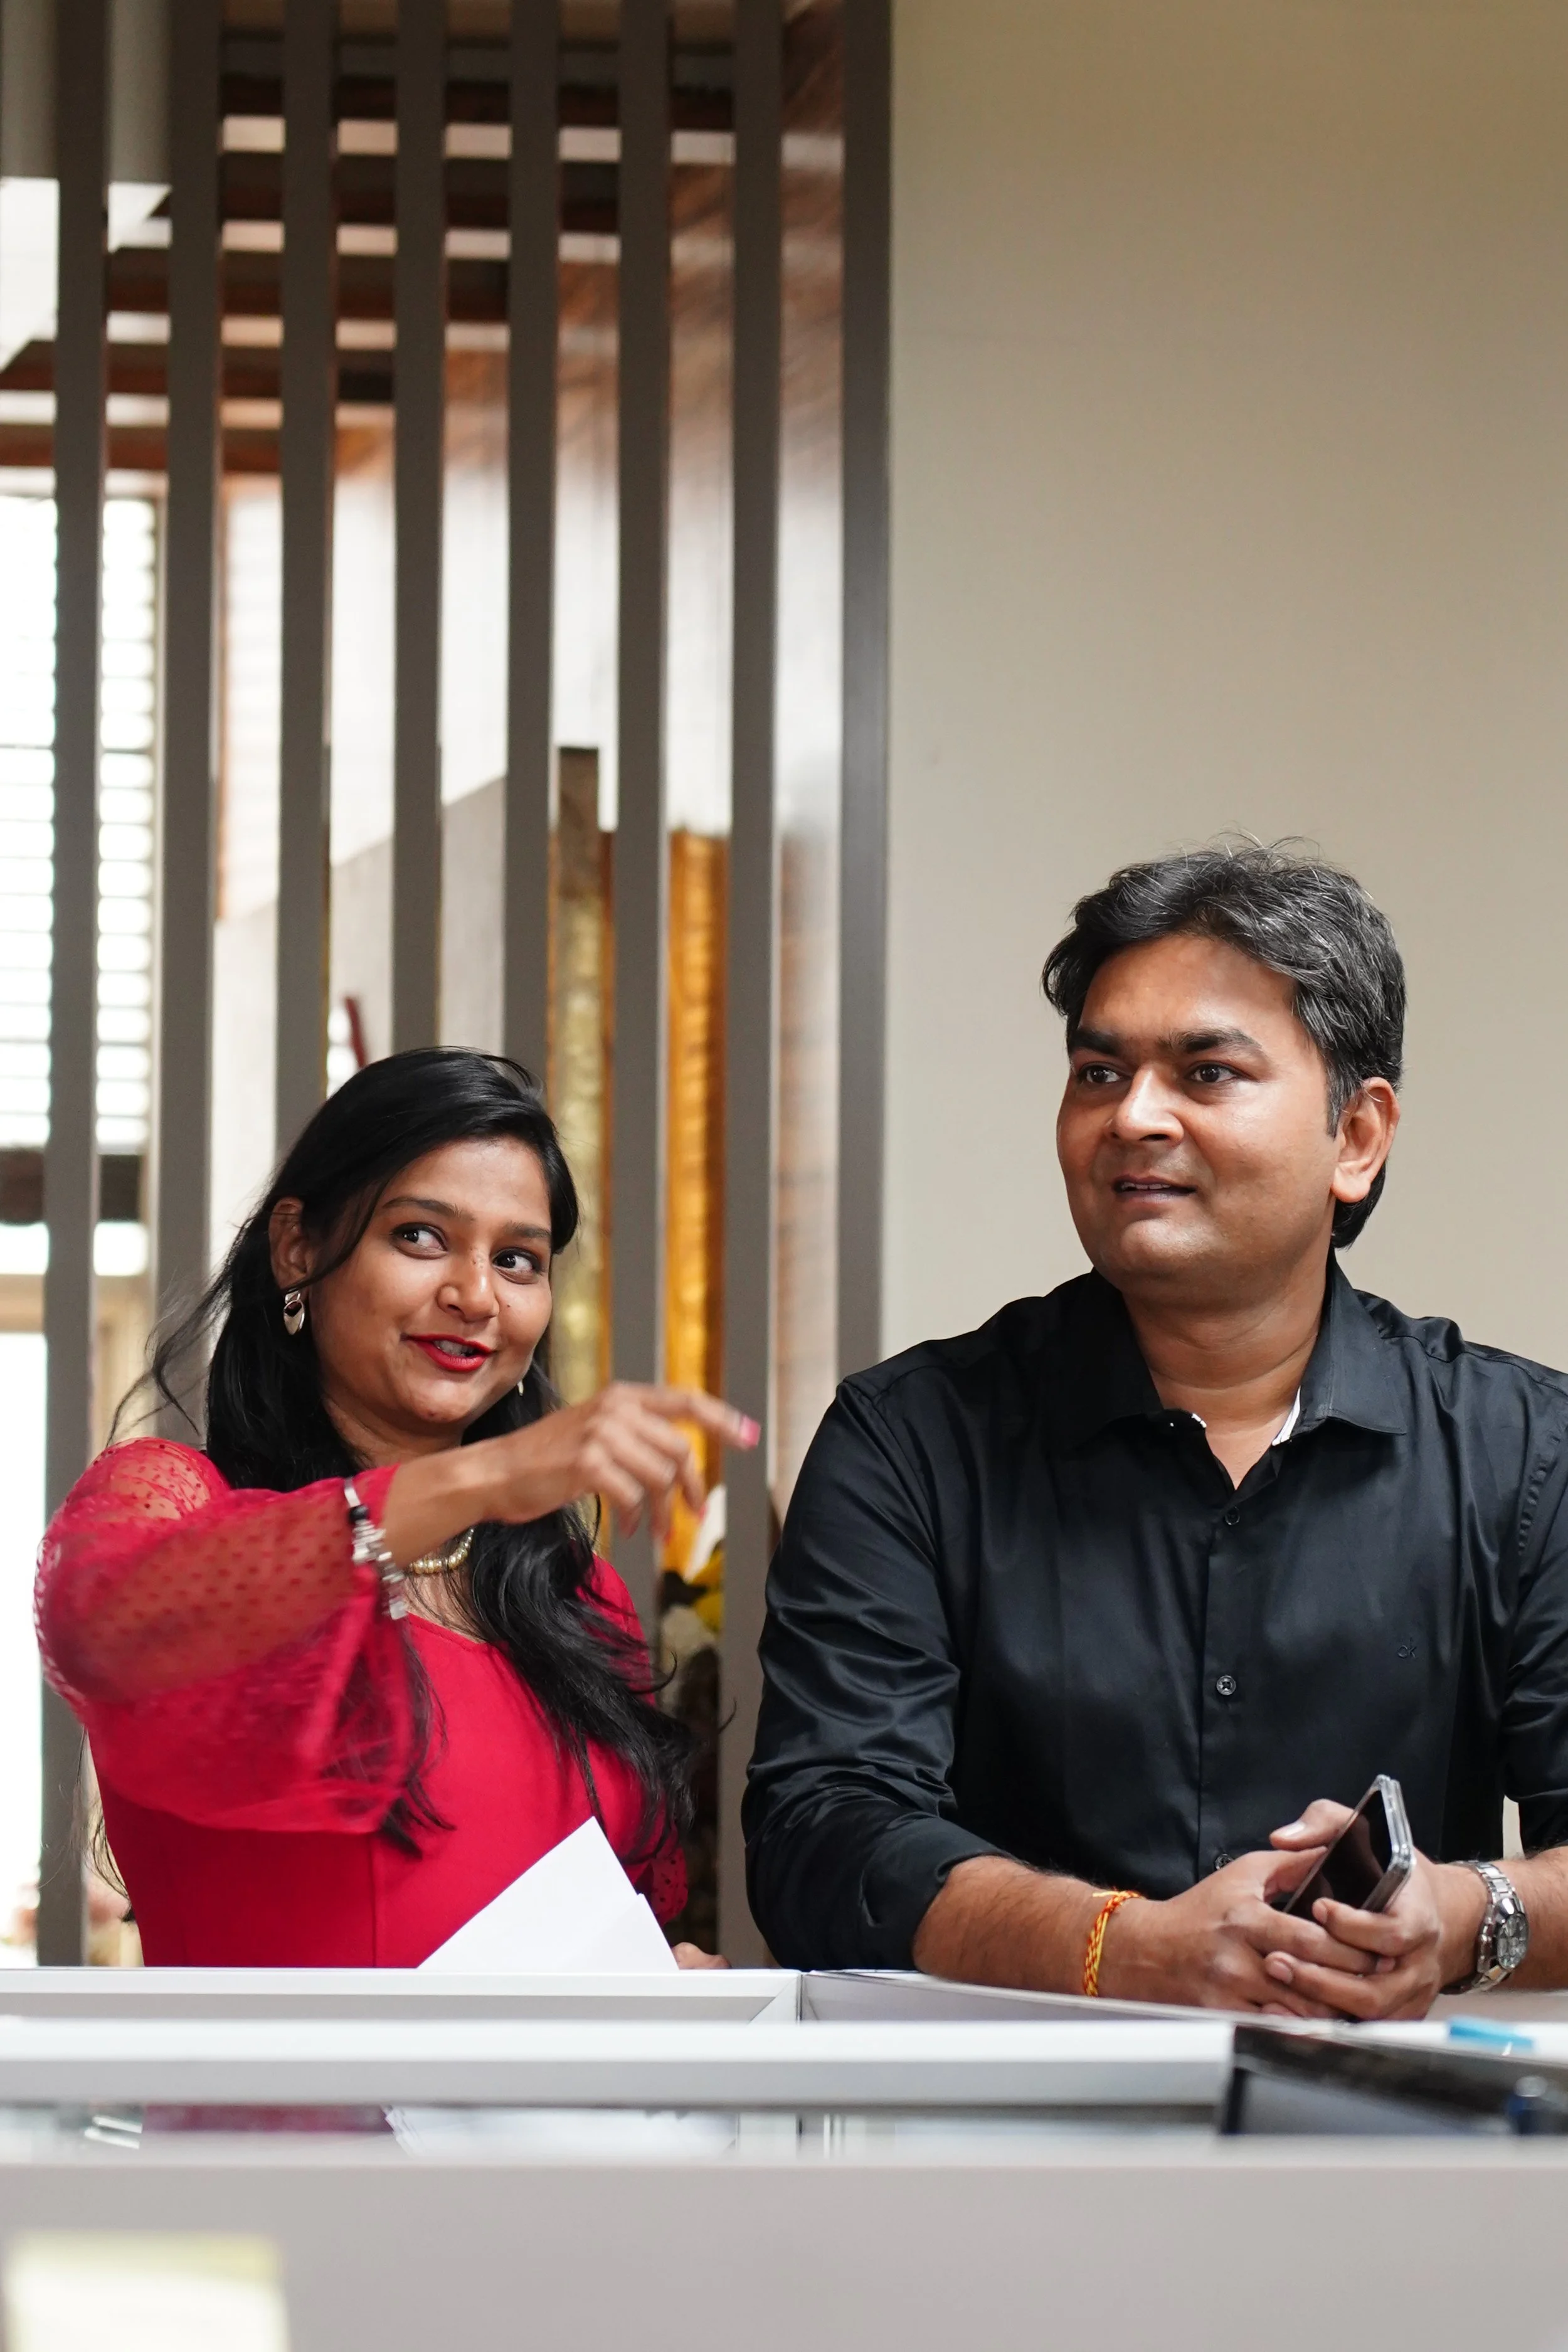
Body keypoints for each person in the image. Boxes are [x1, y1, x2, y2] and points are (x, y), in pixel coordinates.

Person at [746, 843, 1568, 2018]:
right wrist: (1121, 1945)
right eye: (1099, 1071)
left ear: (1357, 1136)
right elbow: (820, 1833)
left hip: (1375, 2118)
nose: (1133, 1115)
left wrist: (1458, 1915)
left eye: (1207, 1072)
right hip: (1000, 2118)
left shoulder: (1524, 1454)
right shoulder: (910, 1442)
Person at [38, 1049, 756, 1967]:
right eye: (420, 1236)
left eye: (517, 1260)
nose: (475, 1296)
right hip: (277, 2069)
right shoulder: (173, 1495)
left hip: (550, 2071)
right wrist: (483, 1476)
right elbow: (103, 1629)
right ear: (298, 1246)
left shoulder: (575, 1597)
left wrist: (666, 1974)